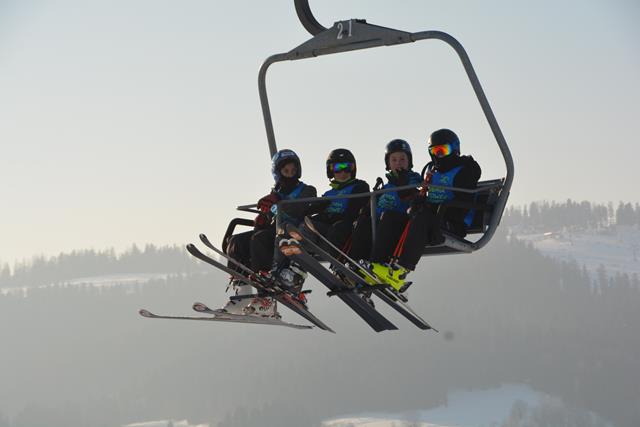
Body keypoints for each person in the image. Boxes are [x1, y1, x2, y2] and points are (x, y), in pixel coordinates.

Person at [370, 129, 482, 291]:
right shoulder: (433, 171)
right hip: (431, 218)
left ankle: (401, 271)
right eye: (435, 151)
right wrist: (419, 201)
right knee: (391, 216)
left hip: (453, 222)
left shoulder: (465, 169)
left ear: (454, 149)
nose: (439, 155)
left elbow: (463, 200)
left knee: (422, 216)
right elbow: (425, 197)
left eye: (443, 150)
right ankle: (377, 264)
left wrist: (432, 210)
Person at [221, 149, 317, 316]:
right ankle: (242, 292)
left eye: (293, 171)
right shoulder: (276, 193)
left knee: (260, 239)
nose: (290, 174)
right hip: (274, 229)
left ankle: (265, 298)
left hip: (291, 232)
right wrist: (263, 219)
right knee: (237, 242)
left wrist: (278, 203)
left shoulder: (307, 190)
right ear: (278, 174)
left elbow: (297, 209)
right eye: (286, 171)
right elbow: (271, 216)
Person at [349, 139, 422, 266]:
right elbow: (373, 206)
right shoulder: (385, 187)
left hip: (399, 224)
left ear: (409, 161)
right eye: (394, 160)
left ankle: (378, 263)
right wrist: (365, 210)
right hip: (379, 224)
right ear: (388, 163)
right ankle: (355, 263)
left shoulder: (414, 183)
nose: (398, 163)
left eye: (402, 159)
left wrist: (404, 187)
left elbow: (414, 202)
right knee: (363, 221)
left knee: (387, 216)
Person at [306, 148, 370, 253]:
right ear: (330, 170)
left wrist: (331, 217)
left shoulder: (359, 187)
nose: (343, 172)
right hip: (327, 226)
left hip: (345, 227)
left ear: (353, 169)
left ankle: (328, 257)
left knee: (337, 228)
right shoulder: (328, 194)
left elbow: (354, 212)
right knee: (306, 224)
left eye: (347, 167)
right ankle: (303, 255)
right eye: (337, 168)